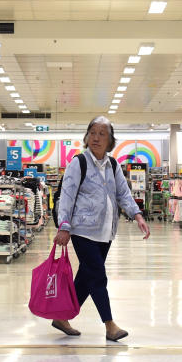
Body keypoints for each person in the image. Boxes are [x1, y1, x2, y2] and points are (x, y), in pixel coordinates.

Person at [51, 116, 151, 342]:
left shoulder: (113, 165)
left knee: (87, 277)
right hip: (82, 230)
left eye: (102, 134)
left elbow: (123, 193)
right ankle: (110, 325)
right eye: (92, 133)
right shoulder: (78, 163)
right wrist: (64, 226)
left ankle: (61, 316)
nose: (96, 138)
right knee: (98, 276)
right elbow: (66, 196)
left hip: (106, 232)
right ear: (86, 137)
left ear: (110, 140)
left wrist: (137, 214)